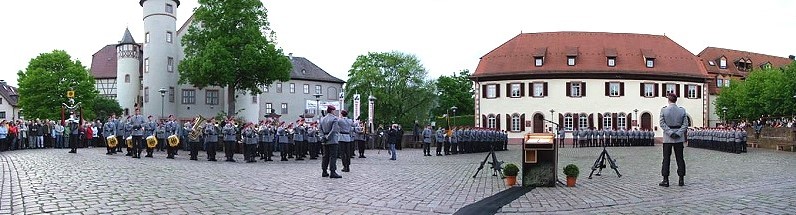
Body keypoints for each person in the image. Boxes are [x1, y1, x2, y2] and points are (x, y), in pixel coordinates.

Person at [659, 93, 688, 187]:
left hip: (667, 138)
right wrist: (678, 133)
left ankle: (665, 180)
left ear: (668, 100)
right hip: (679, 138)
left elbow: (662, 124)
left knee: (666, 159)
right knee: (680, 158)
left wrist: (670, 132)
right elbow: (685, 125)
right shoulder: (682, 111)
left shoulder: (664, 110)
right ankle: (681, 179)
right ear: (676, 100)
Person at [319, 106, 342, 178]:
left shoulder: (322, 119)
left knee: (325, 156)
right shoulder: (334, 118)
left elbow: (320, 129)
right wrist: (328, 137)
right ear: (332, 111)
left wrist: (323, 137)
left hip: (325, 140)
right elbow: (334, 129)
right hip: (332, 140)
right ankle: (332, 171)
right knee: (333, 156)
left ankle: (324, 171)